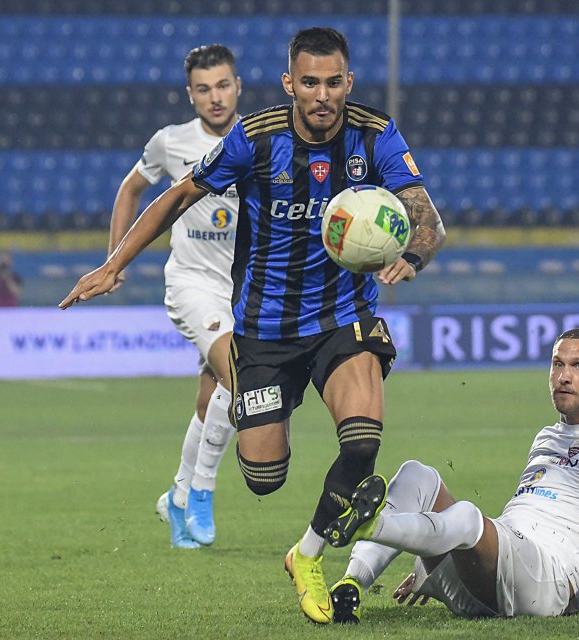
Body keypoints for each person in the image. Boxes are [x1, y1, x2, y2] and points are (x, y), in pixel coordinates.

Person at [60, 27, 445, 624]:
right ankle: (263, 489)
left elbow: (427, 218)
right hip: (265, 328)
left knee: (363, 439)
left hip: (344, 316)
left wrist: (413, 255)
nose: (323, 95)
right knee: (264, 474)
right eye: (309, 82)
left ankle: (310, 553)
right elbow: (177, 195)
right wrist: (114, 265)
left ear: (349, 81)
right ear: (289, 82)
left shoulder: (376, 133)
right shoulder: (254, 138)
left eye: (334, 82)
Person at [323, 328, 579, 624]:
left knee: (464, 516)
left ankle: (375, 525)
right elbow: (524, 517)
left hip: (547, 579)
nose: (564, 376)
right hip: (494, 576)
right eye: (557, 364)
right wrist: (440, 557)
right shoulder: (548, 436)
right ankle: (352, 583)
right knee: (418, 474)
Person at [107, 44, 242, 549]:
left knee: (214, 396)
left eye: (223, 85)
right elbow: (130, 189)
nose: (215, 97)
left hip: (242, 289)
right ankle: (201, 491)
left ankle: (177, 493)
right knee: (238, 373)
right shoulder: (171, 142)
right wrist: (115, 258)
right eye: (204, 89)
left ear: (238, 87)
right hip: (191, 284)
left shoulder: (257, 138)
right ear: (191, 94)